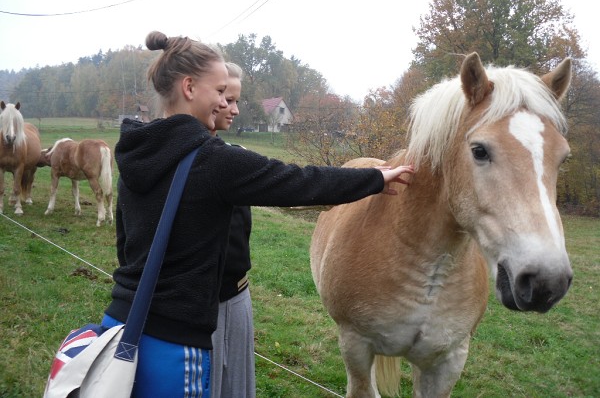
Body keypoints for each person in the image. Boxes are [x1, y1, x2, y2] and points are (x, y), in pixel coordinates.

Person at [102, 30, 414, 398]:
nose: (225, 103)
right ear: (189, 87)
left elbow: (126, 243)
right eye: (220, 92)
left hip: (121, 325)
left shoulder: (135, 152)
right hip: (175, 339)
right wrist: (375, 178)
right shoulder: (212, 159)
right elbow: (297, 181)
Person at [209, 62, 256, 397]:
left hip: (237, 295)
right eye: (227, 97)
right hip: (198, 305)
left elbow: (295, 183)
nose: (234, 109)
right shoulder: (209, 162)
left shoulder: (232, 157)